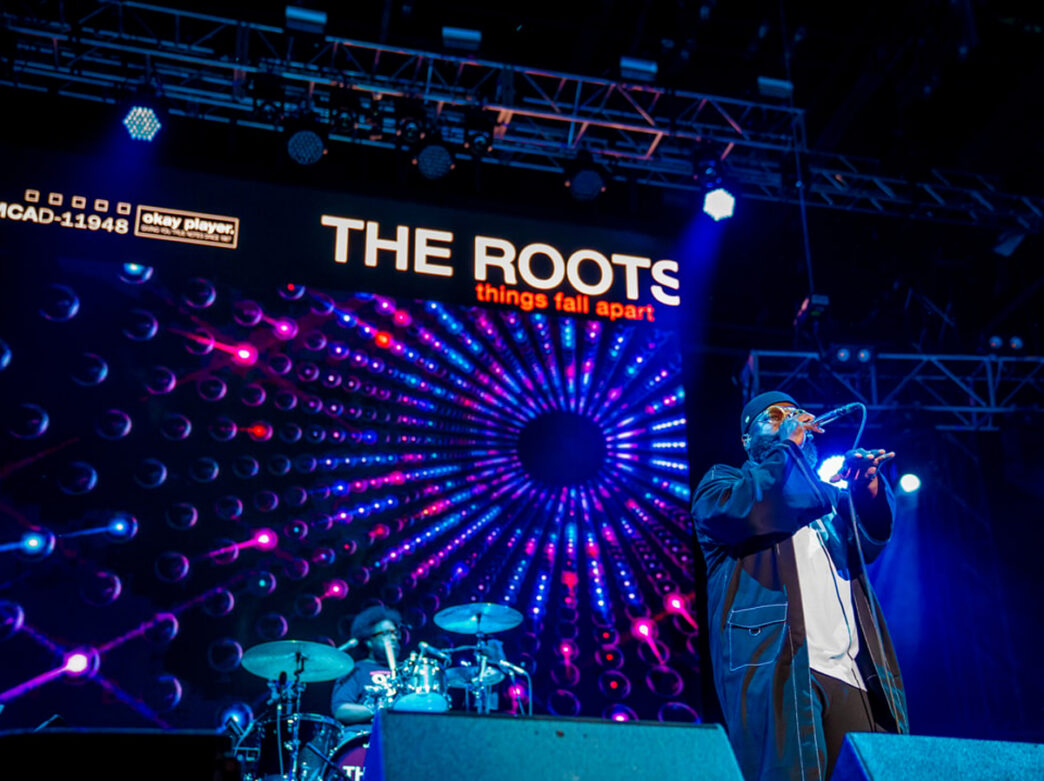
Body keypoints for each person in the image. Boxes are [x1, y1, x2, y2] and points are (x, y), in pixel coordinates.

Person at [691, 391, 909, 781]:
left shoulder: (826, 498)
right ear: (746, 439)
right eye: (774, 416)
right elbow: (752, 509)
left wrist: (867, 491)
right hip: (779, 663)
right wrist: (786, 445)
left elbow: (871, 542)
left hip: (851, 671)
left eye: (795, 414)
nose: (790, 420)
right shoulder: (723, 484)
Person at [330, 605, 403, 724]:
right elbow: (341, 711)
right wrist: (381, 709)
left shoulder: (405, 670)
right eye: (385, 633)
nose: (394, 638)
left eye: (395, 633)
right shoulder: (356, 669)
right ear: (369, 641)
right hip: (366, 732)